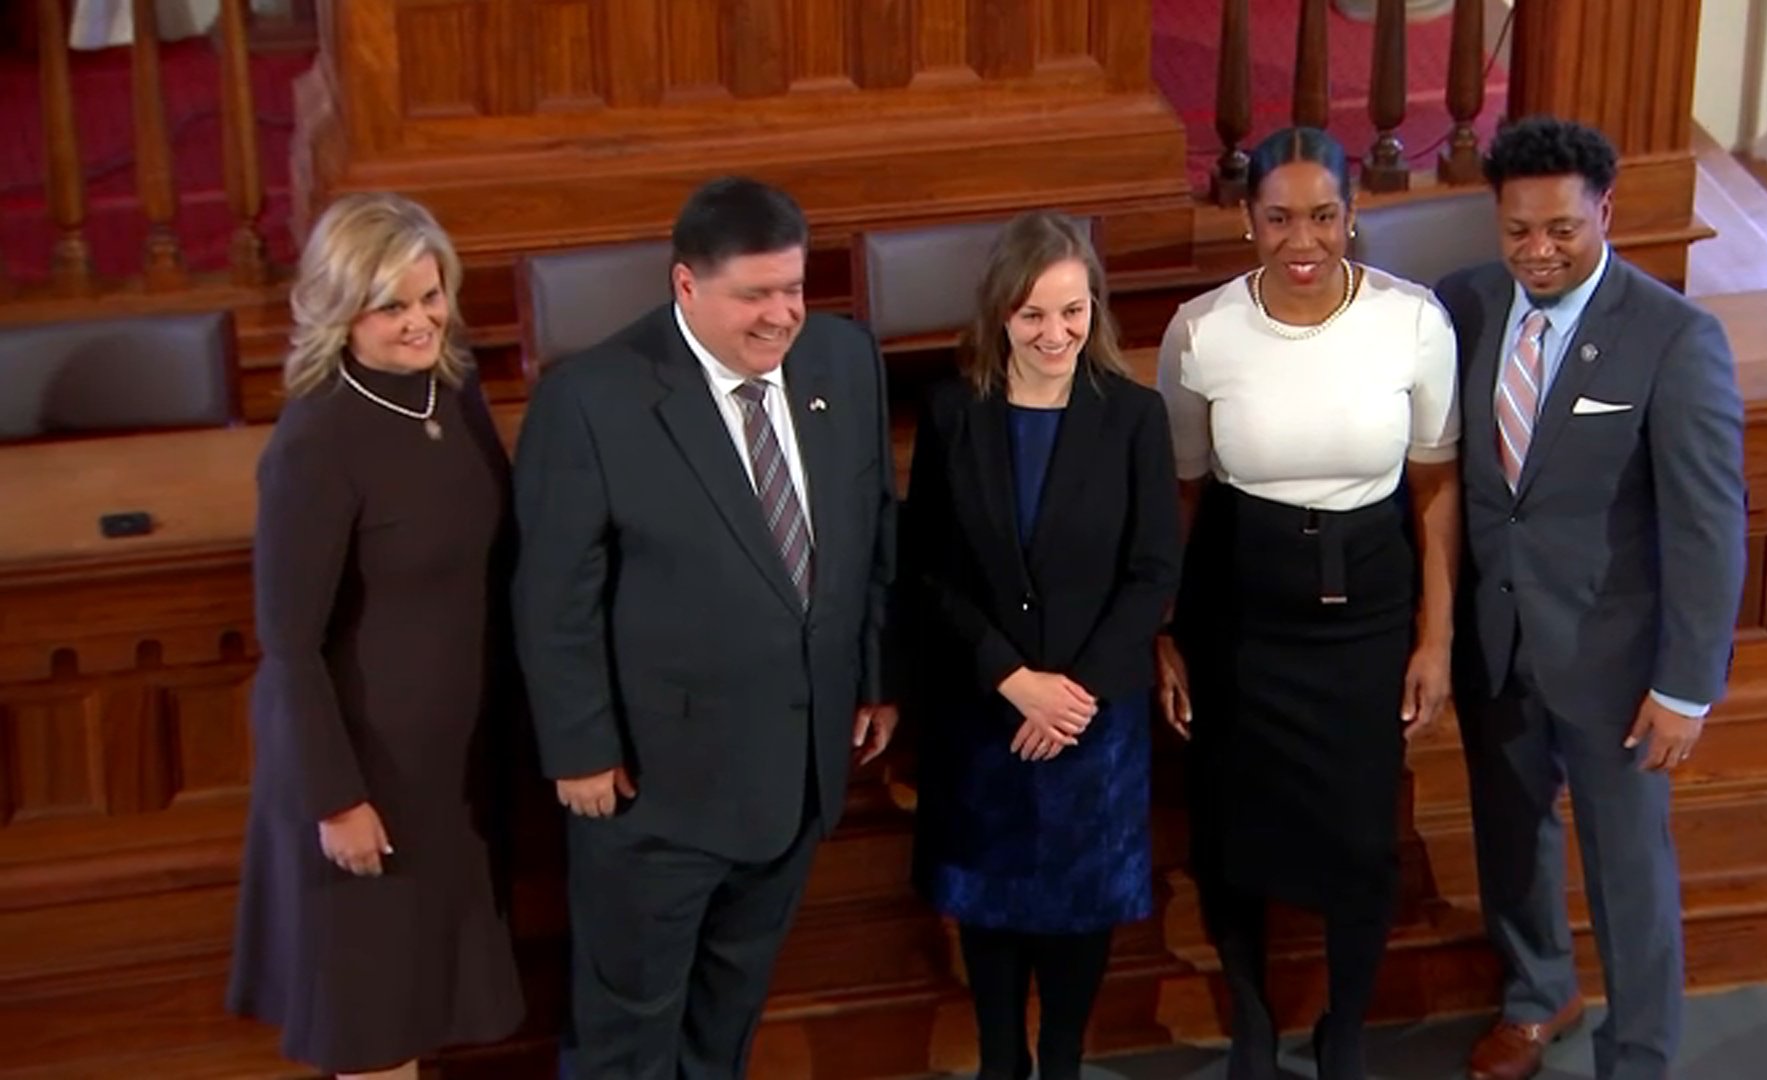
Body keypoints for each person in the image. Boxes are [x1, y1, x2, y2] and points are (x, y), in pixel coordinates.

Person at [512, 176, 899, 1079]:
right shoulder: (592, 401)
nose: (781, 317)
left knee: (725, 1024)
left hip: (794, 777)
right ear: (686, 287)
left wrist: (874, 675)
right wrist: (578, 748)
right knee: (630, 1039)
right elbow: (553, 597)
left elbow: (871, 528)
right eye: (754, 296)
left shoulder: (844, 361)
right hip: (654, 793)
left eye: (794, 289)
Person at [1434, 116, 1746, 1080]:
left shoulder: (1676, 338)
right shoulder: (1463, 305)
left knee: (1629, 873)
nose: (1538, 250)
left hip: (1616, 664)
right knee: (1510, 837)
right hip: (1497, 642)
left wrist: (1686, 686)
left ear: (1605, 211)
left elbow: (1707, 524)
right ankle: (1538, 995)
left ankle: (1641, 1054)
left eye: (1562, 229)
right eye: (1519, 229)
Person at [1155, 126, 1462, 1080]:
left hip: (1366, 607)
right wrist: (1167, 632)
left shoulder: (1413, 322)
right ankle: (1252, 1021)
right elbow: (1183, 497)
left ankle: (1345, 1032)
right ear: (1246, 221)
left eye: (1323, 216)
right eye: (1280, 217)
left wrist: (1435, 638)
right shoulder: (1200, 329)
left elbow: (1435, 490)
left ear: (1352, 217)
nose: (1303, 240)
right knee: (1233, 831)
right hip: (1240, 610)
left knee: (1362, 840)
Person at [227, 192, 525, 1080]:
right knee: (374, 1032)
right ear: (338, 311)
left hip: (450, 773)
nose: (420, 322)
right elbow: (289, 643)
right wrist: (336, 800)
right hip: (366, 782)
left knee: (424, 1005)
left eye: (430, 296)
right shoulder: (316, 441)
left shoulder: (454, 389)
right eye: (391, 305)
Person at [902, 212, 1181, 1080]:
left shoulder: (1133, 416)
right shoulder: (954, 414)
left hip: (1095, 720)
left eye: (1073, 311)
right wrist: (1013, 680)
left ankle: (1060, 1061)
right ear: (1000, 318)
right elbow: (928, 574)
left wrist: (1075, 693)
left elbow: (1153, 574)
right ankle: (999, 1062)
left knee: (1077, 902)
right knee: (991, 900)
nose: (1056, 334)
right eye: (1033, 316)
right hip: (986, 712)